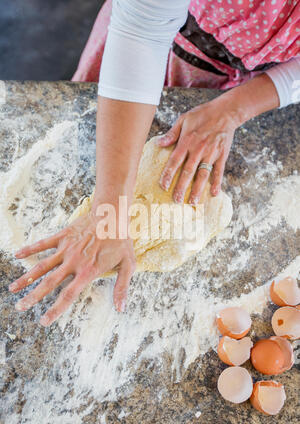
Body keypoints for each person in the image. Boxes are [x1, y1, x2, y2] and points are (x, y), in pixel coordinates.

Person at [9, 0, 300, 326]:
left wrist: (238, 107)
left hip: (252, 80)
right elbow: (140, 32)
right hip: (149, 55)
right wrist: (110, 216)